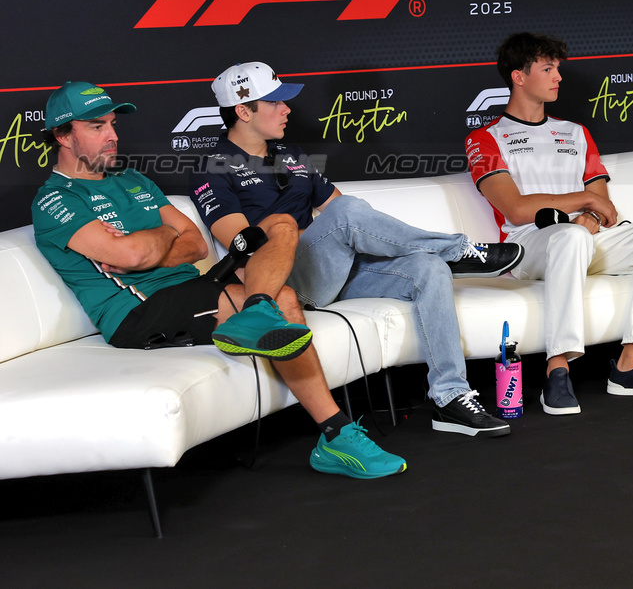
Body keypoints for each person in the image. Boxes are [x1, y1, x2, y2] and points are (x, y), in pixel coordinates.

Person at [33, 82, 407, 479]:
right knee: (284, 300)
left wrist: (151, 242)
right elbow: (132, 257)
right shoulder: (55, 199)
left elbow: (194, 243)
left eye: (112, 124)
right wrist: (159, 238)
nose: (112, 135)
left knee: (280, 224)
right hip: (139, 310)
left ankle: (256, 309)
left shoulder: (132, 179)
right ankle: (336, 435)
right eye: (96, 126)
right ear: (63, 135)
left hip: (193, 286)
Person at [191, 62, 522, 440]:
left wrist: (355, 241)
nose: (286, 109)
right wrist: (322, 232)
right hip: (281, 282)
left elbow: (347, 217)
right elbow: (244, 244)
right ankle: (457, 249)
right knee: (346, 214)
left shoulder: (291, 153)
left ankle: (450, 396)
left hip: (328, 271)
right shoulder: (212, 166)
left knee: (428, 268)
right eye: (275, 102)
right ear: (243, 111)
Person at [464, 32, 633, 415]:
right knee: (570, 237)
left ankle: (632, 362)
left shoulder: (576, 132)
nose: (558, 77)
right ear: (519, 77)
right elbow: (516, 209)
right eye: (548, 69)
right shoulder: (485, 139)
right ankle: (557, 370)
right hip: (529, 245)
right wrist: (585, 203)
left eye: (558, 69)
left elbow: (603, 205)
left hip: (588, 236)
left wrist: (591, 213)